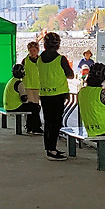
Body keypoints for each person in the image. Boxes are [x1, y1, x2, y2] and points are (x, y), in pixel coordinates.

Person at [37, 31, 74, 161]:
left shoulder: (40, 59)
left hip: (44, 94)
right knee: (56, 123)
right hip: (58, 95)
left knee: (48, 122)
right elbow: (70, 75)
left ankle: (49, 148)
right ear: (58, 44)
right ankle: (52, 150)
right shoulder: (60, 59)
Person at [20, 40, 43, 134]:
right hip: (28, 86)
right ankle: (32, 126)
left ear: (38, 50)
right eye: (31, 50)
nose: (33, 52)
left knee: (37, 107)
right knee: (31, 107)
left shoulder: (41, 60)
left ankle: (34, 126)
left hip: (38, 86)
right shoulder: (25, 61)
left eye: (34, 50)